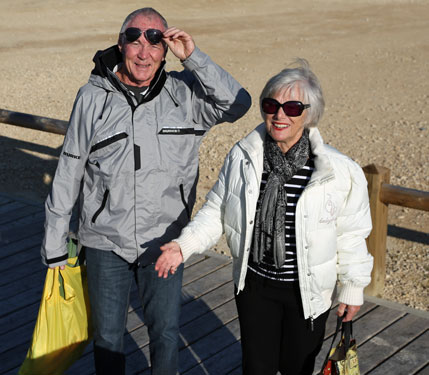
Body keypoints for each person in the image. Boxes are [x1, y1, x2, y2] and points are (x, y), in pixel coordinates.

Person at [41, 7, 251, 375]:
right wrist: (55, 246)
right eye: (134, 40)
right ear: (120, 44)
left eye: (154, 41)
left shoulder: (185, 96)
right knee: (107, 337)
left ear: (165, 50)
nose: (143, 52)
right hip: (105, 240)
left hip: (165, 240)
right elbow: (68, 171)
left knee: (165, 334)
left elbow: (238, 103)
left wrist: (194, 57)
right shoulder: (92, 98)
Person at [156, 59, 373, 375]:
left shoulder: (338, 171)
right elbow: (217, 209)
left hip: (308, 292)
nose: (280, 114)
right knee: (257, 367)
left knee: (296, 367)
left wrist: (353, 287)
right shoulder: (245, 156)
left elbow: (351, 234)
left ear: (309, 114)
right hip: (255, 286)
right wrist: (182, 246)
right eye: (272, 104)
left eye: (293, 107)